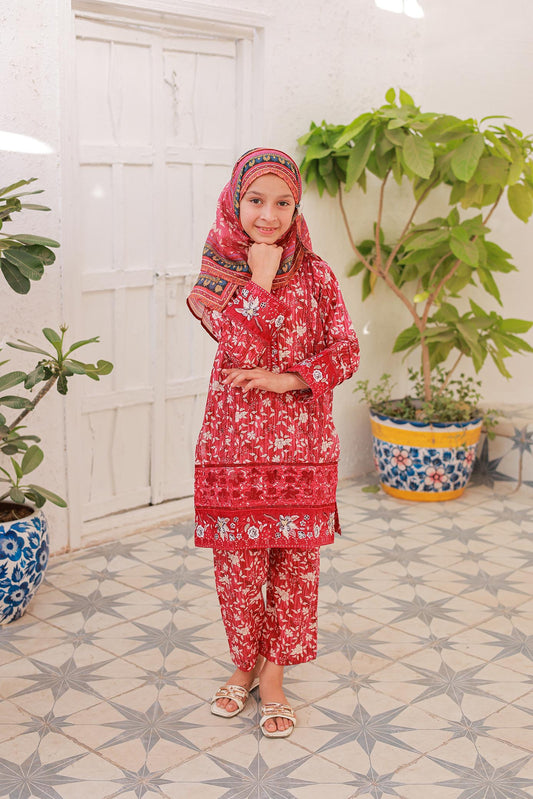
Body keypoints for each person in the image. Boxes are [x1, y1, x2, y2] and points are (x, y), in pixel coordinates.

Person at [187, 147, 360, 738]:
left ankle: (275, 677)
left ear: (296, 207)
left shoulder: (318, 275)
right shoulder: (214, 280)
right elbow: (235, 346)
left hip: (305, 449)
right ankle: (243, 663)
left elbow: (346, 351)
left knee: (294, 569)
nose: (269, 214)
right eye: (256, 201)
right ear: (236, 202)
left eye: (283, 202)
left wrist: (287, 378)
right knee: (237, 569)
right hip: (233, 452)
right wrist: (258, 276)